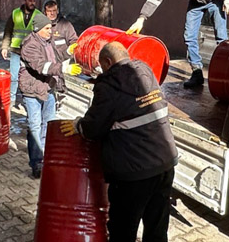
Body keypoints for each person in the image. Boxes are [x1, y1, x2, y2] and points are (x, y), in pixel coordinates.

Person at [61, 42, 177, 242]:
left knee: (122, 229)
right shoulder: (145, 70)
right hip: (165, 163)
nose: (101, 70)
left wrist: (80, 125)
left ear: (108, 62)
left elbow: (94, 128)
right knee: (157, 228)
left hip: (134, 172)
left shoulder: (110, 85)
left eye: (101, 66)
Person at [19, 13, 82, 178]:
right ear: (38, 29)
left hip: (48, 89)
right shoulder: (29, 45)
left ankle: (46, 157)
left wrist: (68, 51)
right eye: (47, 28)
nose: (51, 31)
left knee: (48, 124)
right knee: (35, 126)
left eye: (51, 28)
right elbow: (41, 67)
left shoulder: (48, 41)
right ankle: (36, 163)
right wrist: (63, 69)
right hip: (32, 91)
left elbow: (57, 57)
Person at [2, 0, 43, 108]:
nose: (32, 3)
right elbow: (8, 31)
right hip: (16, 51)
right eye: (30, 1)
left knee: (30, 77)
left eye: (34, 1)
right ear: (25, 1)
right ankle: (12, 99)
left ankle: (28, 100)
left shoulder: (38, 15)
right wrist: (5, 47)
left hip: (30, 52)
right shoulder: (15, 13)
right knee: (14, 77)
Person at [43, 0, 80, 108]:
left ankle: (60, 105)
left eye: (54, 11)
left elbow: (74, 41)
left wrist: (69, 53)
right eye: (49, 11)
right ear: (45, 12)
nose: (52, 13)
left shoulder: (65, 25)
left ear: (58, 10)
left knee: (61, 87)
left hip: (63, 62)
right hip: (47, 63)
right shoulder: (42, 25)